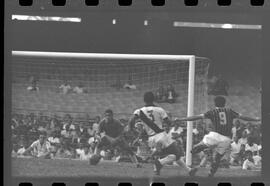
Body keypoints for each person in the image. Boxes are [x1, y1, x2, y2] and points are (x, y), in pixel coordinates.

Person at [177, 96, 260, 177]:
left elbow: (197, 117)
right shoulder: (230, 111)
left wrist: (182, 119)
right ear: (224, 103)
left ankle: (204, 148)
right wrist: (256, 119)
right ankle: (211, 174)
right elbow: (243, 117)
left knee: (195, 148)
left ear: (215, 103)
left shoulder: (212, 112)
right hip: (226, 139)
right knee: (217, 159)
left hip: (214, 135)